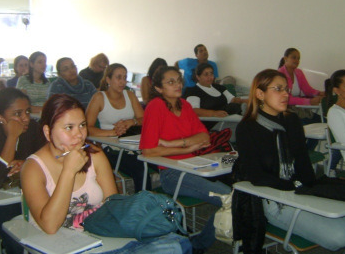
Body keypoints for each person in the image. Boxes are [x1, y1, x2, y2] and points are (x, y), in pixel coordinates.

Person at [233, 69, 345, 254]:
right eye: (278, 89)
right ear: (260, 94)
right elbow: (256, 176)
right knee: (339, 236)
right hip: (275, 199)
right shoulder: (247, 128)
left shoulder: (292, 120)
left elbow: (303, 161)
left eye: (286, 89)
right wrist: (294, 188)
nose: (285, 94)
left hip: (303, 189)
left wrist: (315, 192)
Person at [140, 66, 231, 253]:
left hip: (196, 166)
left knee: (241, 191)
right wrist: (187, 147)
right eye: (171, 82)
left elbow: (205, 137)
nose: (178, 85)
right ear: (159, 88)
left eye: (179, 81)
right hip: (173, 173)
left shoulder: (185, 105)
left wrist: (176, 144)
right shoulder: (155, 106)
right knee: (230, 199)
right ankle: (198, 245)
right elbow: (148, 150)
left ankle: (201, 241)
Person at [21, 94, 117, 234]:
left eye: (82, 125)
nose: (79, 134)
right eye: (69, 127)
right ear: (48, 132)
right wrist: (69, 171)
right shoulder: (32, 168)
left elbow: (113, 205)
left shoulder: (95, 155)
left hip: (97, 236)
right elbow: (50, 226)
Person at [0, 88, 45, 254]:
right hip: (0, 206)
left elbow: (48, 161)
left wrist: (27, 164)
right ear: (1, 118)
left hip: (32, 196)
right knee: (17, 242)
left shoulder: (34, 129)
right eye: (17, 113)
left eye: (27, 111)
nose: (25, 118)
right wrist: (12, 137)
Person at [86, 63, 149, 192]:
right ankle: (143, 206)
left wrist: (132, 122)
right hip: (110, 149)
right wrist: (112, 132)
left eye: (125, 78)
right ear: (108, 79)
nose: (122, 81)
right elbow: (87, 128)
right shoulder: (99, 98)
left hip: (133, 145)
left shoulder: (130, 95)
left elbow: (144, 120)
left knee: (157, 160)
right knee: (140, 169)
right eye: (118, 77)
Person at [184, 62, 247, 130]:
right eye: (206, 74)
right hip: (212, 122)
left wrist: (249, 101)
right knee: (236, 110)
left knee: (236, 107)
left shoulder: (219, 88)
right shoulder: (193, 91)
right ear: (198, 77)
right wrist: (214, 113)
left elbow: (233, 100)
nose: (210, 77)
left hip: (229, 118)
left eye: (211, 74)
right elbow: (194, 111)